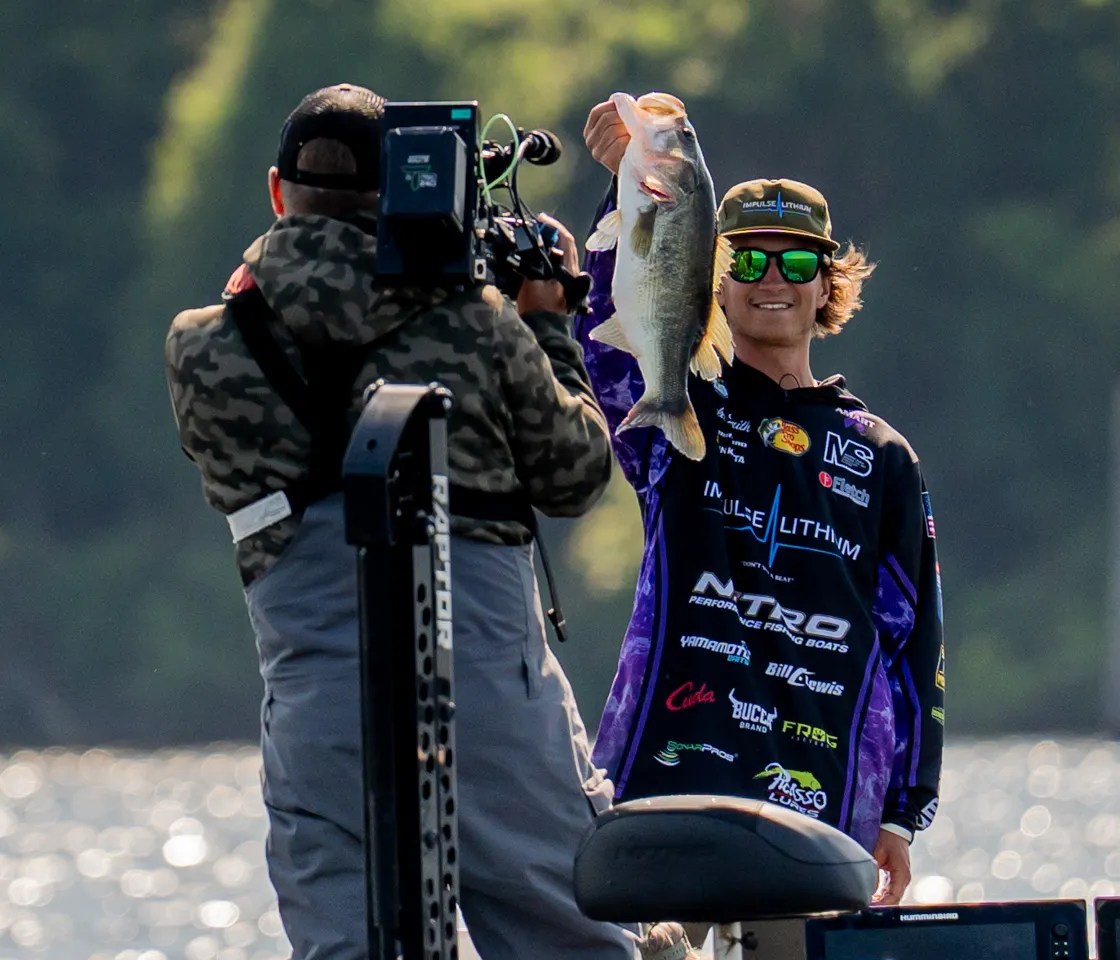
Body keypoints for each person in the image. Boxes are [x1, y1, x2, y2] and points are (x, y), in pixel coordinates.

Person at [164, 83, 634, 960]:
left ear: (277, 193)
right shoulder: (477, 321)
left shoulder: (201, 345)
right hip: (487, 687)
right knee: (570, 941)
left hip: (319, 704)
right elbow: (576, 476)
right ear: (405, 192)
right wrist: (546, 326)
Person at [578, 98, 946, 956]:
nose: (771, 278)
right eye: (746, 258)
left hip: (822, 788)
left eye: (796, 260)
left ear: (826, 285)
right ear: (713, 271)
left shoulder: (882, 454)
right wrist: (626, 192)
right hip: (671, 767)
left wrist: (903, 810)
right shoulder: (677, 407)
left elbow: (916, 642)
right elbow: (606, 339)